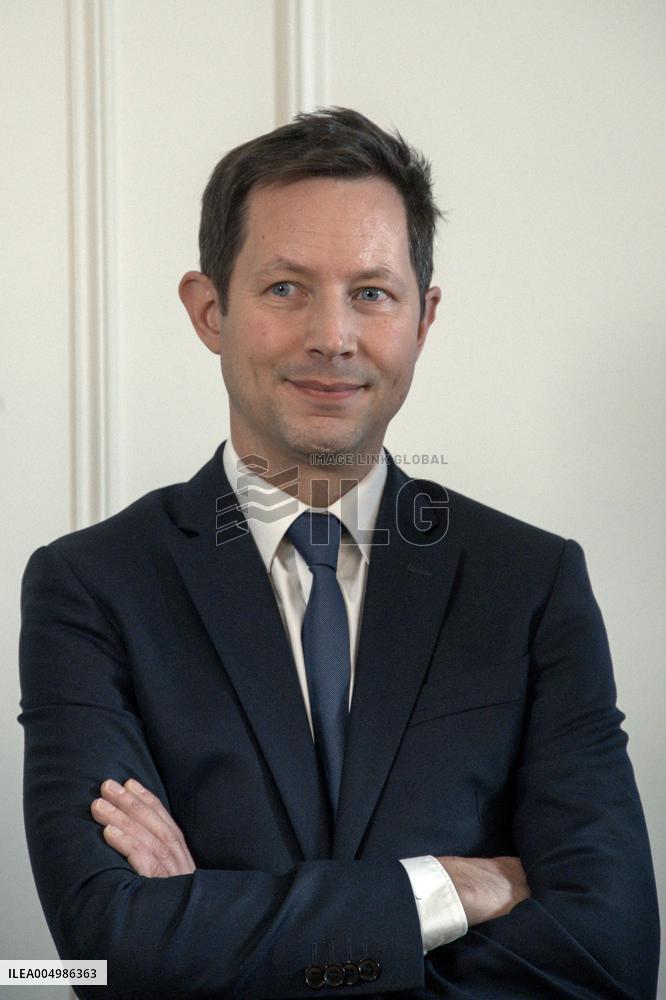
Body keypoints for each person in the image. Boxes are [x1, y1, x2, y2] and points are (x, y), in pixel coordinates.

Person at [19, 108, 659, 999]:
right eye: (286, 288)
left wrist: (209, 925)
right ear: (211, 310)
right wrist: (444, 887)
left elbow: (610, 954)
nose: (333, 335)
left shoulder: (531, 584)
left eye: (372, 292)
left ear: (423, 318)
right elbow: (101, 952)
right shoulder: (90, 588)